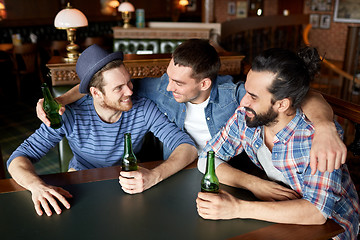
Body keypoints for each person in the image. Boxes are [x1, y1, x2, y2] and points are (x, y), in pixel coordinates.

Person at [37, 39, 346, 201]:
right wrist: (61, 99)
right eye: (168, 78)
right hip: (179, 172)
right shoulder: (161, 88)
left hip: (225, 175)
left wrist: (325, 126)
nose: (167, 88)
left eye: (178, 83)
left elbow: (304, 96)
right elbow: (102, 83)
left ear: (205, 83)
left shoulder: (239, 96)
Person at [7, 44, 198, 217]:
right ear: (96, 93)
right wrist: (36, 186)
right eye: (119, 88)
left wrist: (154, 175)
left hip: (126, 183)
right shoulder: (69, 114)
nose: (130, 91)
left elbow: (187, 147)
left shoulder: (142, 107)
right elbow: (18, 158)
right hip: (80, 184)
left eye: (129, 82)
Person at [196, 47, 359, 240]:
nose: (243, 103)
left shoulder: (314, 138)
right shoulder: (247, 117)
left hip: (333, 228)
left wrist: (236, 208)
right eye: (246, 92)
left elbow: (317, 212)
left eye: (253, 97)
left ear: (282, 104)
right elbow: (207, 157)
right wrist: (254, 184)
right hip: (282, 216)